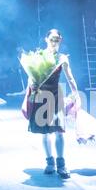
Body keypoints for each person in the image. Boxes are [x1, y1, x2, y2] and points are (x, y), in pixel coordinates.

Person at [28, 29, 80, 179]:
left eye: (57, 39)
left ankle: (61, 164)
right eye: (51, 39)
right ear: (46, 39)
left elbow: (70, 78)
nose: (54, 42)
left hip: (56, 95)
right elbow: (31, 78)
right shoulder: (39, 56)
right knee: (45, 132)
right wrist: (32, 87)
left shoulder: (62, 58)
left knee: (59, 131)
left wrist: (76, 94)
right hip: (41, 95)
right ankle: (49, 162)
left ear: (60, 40)